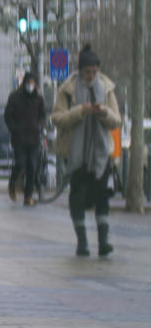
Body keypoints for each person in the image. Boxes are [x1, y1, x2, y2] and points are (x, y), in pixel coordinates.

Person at [51, 44, 121, 257]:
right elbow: (57, 119)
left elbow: (116, 120)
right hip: (75, 152)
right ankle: (82, 242)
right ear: (80, 71)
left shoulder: (107, 89)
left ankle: (103, 241)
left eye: (95, 72)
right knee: (78, 197)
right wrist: (81, 111)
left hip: (100, 153)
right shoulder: (67, 90)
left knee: (101, 197)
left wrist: (103, 112)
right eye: (88, 72)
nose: (91, 76)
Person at [4, 71, 46, 206]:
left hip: (34, 138)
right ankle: (12, 184)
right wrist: (14, 128)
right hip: (19, 138)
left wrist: (39, 125)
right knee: (21, 163)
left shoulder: (38, 98)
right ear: (24, 83)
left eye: (33, 83)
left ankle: (28, 196)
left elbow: (43, 115)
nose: (30, 86)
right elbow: (8, 116)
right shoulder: (15, 97)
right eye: (28, 83)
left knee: (32, 167)